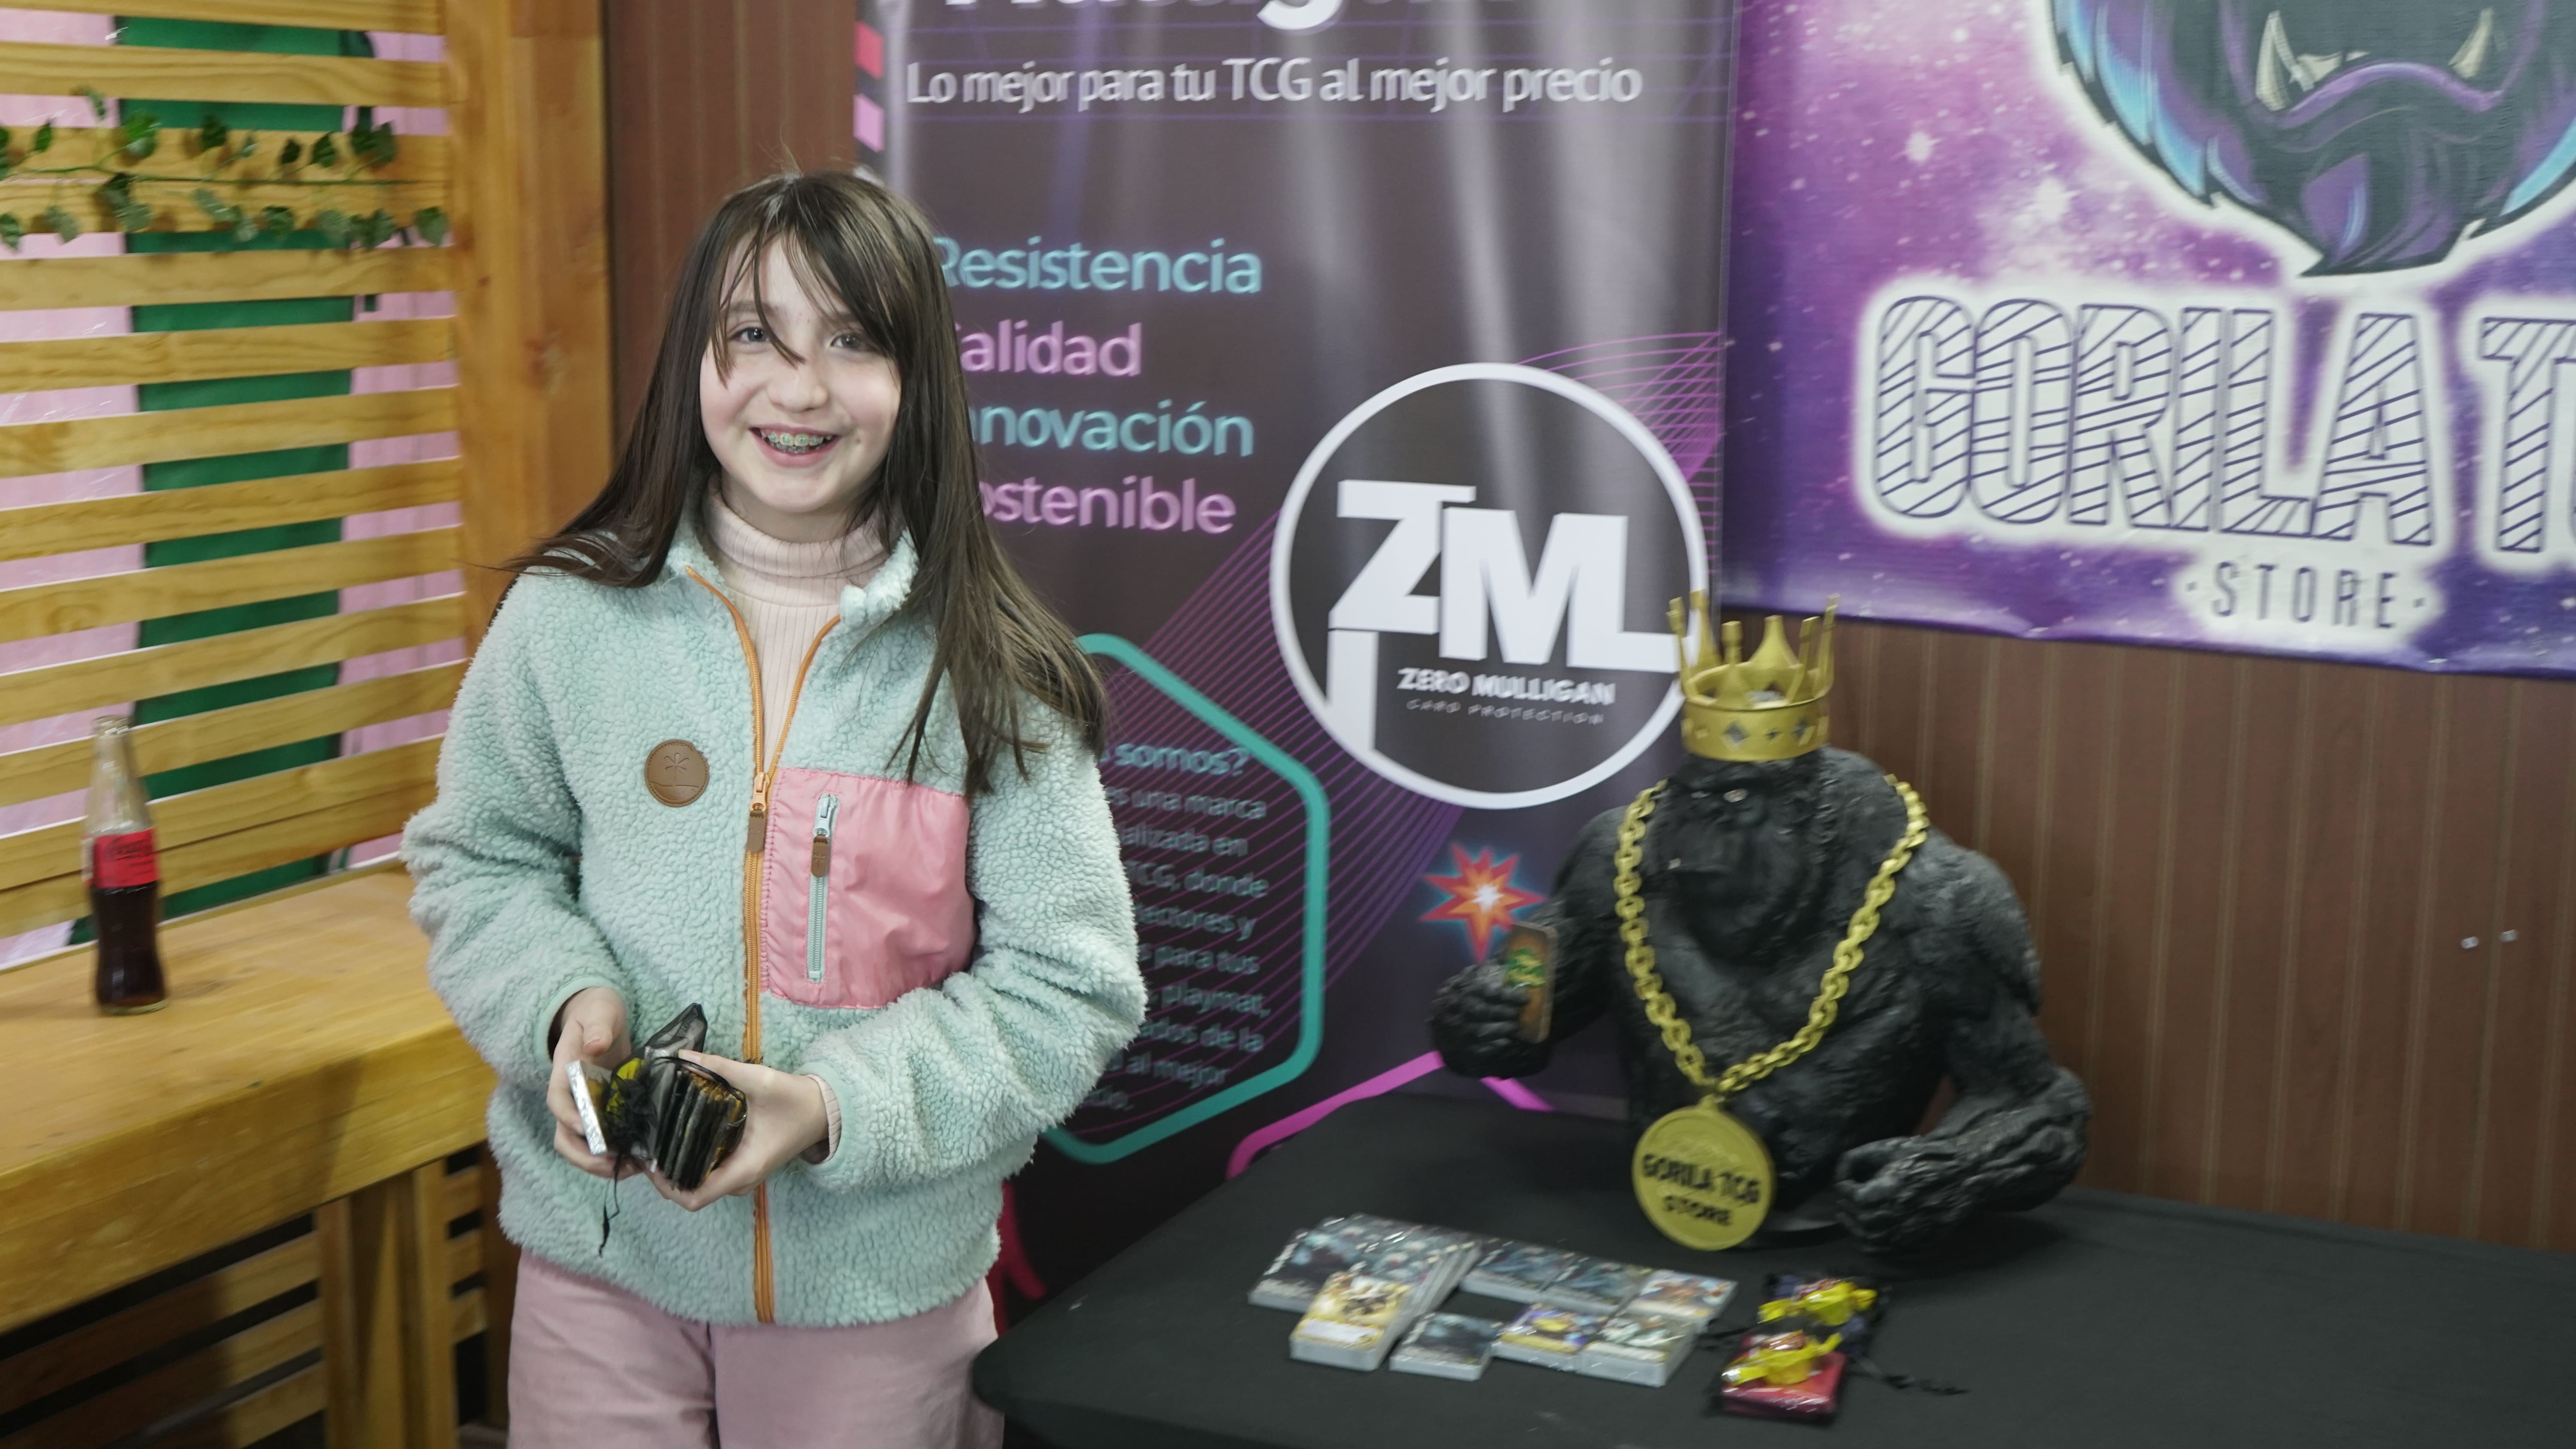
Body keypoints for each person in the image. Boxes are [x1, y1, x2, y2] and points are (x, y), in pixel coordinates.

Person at [405, 170, 1142, 1447]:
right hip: (599, 1271)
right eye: (754, 334)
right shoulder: (569, 616)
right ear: (695, 362)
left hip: (878, 1300)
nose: (798, 390)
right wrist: (560, 1006)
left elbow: (1069, 988)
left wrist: (827, 1106)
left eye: (852, 341)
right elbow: (481, 859)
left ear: (918, 383)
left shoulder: (997, 670)